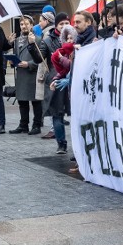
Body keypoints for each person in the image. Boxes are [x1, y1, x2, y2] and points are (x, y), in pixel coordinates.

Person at [9, 15, 48, 136]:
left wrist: (29, 64)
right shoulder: (16, 41)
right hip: (21, 75)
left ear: (31, 25)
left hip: (32, 75)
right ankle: (23, 125)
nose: (24, 26)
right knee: (22, 102)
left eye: (26, 24)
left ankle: (36, 125)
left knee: (36, 102)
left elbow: (41, 58)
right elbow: (17, 55)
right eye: (21, 24)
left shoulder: (37, 39)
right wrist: (12, 61)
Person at [42, 12, 70, 141]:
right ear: (56, 25)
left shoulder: (75, 38)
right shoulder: (48, 40)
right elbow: (39, 57)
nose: (64, 26)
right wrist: (32, 45)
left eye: (66, 23)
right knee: (57, 114)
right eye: (61, 24)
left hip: (72, 80)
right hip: (56, 80)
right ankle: (61, 143)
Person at [50, 24, 77, 154]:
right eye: (67, 38)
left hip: (74, 86)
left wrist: (62, 59)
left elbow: (74, 65)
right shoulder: (59, 51)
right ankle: (61, 144)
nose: (70, 41)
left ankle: (77, 148)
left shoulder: (78, 49)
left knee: (76, 116)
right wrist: (56, 78)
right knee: (56, 114)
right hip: (62, 83)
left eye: (72, 38)